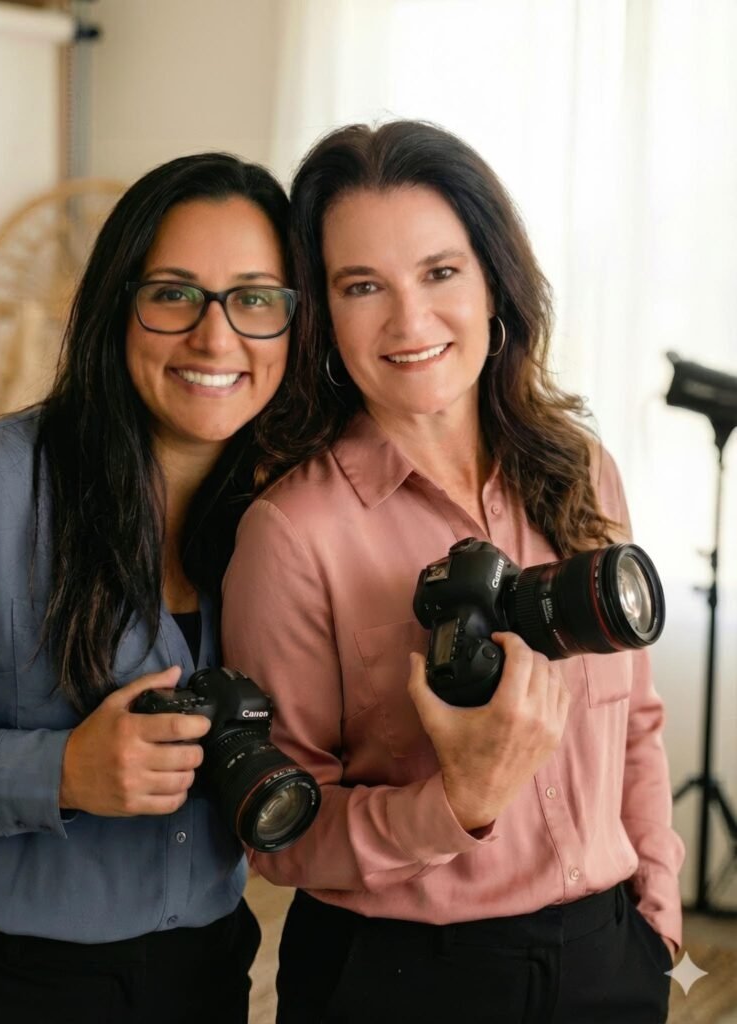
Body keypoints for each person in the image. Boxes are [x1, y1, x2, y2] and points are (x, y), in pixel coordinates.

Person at [222, 122, 684, 1024]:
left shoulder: (580, 470)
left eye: (439, 272)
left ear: (492, 282)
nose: (409, 321)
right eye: (362, 286)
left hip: (608, 960)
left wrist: (655, 915)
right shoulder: (291, 534)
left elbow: (635, 718)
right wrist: (455, 803)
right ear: (322, 315)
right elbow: (279, 838)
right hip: (403, 979)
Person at [0, 152, 297, 1024]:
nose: (215, 338)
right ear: (115, 303)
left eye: (254, 300)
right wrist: (58, 772)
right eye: (174, 293)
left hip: (203, 972)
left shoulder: (292, 514)